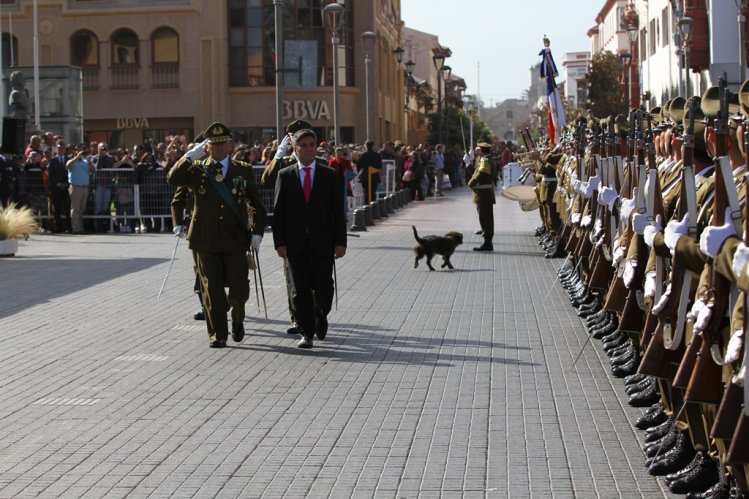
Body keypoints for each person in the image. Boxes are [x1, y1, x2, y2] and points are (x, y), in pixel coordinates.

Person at [167, 122, 267, 348]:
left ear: (230, 144)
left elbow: (255, 205)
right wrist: (189, 156)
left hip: (235, 238)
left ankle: (238, 318)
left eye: (223, 143)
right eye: (214, 144)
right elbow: (173, 179)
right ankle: (218, 334)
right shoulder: (197, 169)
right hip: (205, 238)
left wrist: (257, 232)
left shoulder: (242, 169)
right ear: (207, 147)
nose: (219, 147)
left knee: (239, 288)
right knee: (211, 288)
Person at [272, 128, 347, 348]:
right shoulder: (285, 176)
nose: (308, 149)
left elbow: (337, 212)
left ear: (317, 147)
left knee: (324, 287)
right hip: (295, 244)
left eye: (311, 145)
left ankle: (320, 313)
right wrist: (280, 243)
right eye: (303, 145)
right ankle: (307, 331)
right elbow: (279, 213)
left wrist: (341, 242)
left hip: (322, 242)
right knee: (299, 290)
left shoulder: (329, 175)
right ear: (295, 149)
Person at [467, 142, 495, 251]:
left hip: (483, 194)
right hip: (484, 193)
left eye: (478, 151)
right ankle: (487, 242)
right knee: (486, 218)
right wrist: (468, 165)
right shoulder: (485, 160)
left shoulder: (485, 160)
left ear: (482, 151)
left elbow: (480, 175)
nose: (477, 153)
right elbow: (476, 172)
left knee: (485, 219)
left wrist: (471, 183)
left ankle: (487, 243)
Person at [66, 143, 95, 234]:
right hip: (75, 187)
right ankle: (76, 228)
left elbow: (93, 170)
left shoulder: (86, 161)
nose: (82, 152)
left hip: (84, 188)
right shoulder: (72, 160)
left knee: (82, 208)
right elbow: (67, 166)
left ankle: (80, 227)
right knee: (75, 209)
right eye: (80, 150)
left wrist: (89, 162)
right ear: (75, 151)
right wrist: (76, 158)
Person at [47, 141, 71, 233]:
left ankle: (69, 227)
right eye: (59, 148)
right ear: (56, 149)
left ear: (64, 150)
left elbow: (70, 173)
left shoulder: (68, 160)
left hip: (66, 188)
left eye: (62, 148)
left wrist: (66, 183)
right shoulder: (53, 161)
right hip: (56, 188)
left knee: (67, 208)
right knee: (57, 209)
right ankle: (58, 227)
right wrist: (58, 184)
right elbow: (51, 175)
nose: (60, 150)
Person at [356, 140, 382, 204]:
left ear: (365, 146)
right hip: (374, 176)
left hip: (364, 176)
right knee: (373, 192)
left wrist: (362, 172)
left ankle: (367, 207)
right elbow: (379, 166)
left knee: (366, 193)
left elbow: (358, 165)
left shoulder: (362, 155)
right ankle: (373, 207)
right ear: (373, 146)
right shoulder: (377, 155)